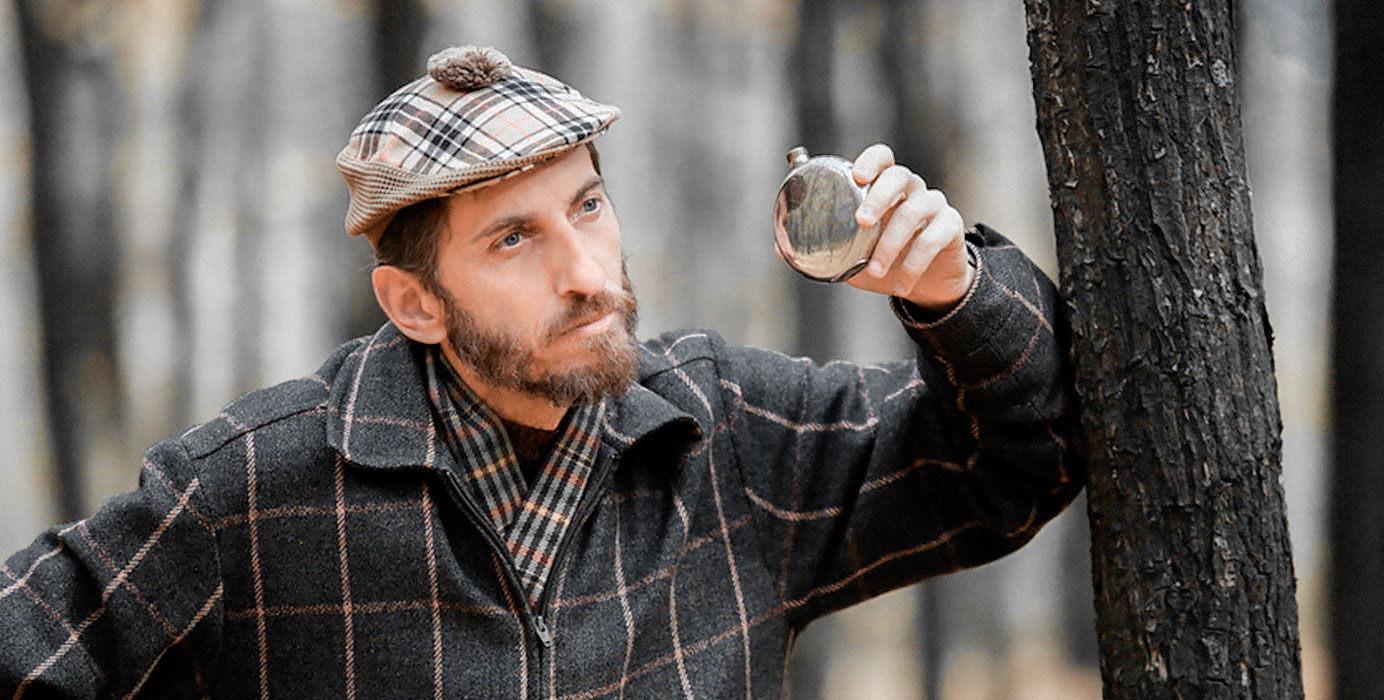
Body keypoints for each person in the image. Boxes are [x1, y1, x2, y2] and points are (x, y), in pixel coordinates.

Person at [0, 45, 1081, 699]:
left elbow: (1017, 464)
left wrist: (953, 288)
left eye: (588, 206)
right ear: (414, 303)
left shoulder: (729, 434)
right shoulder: (250, 491)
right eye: (512, 239)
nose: (587, 274)